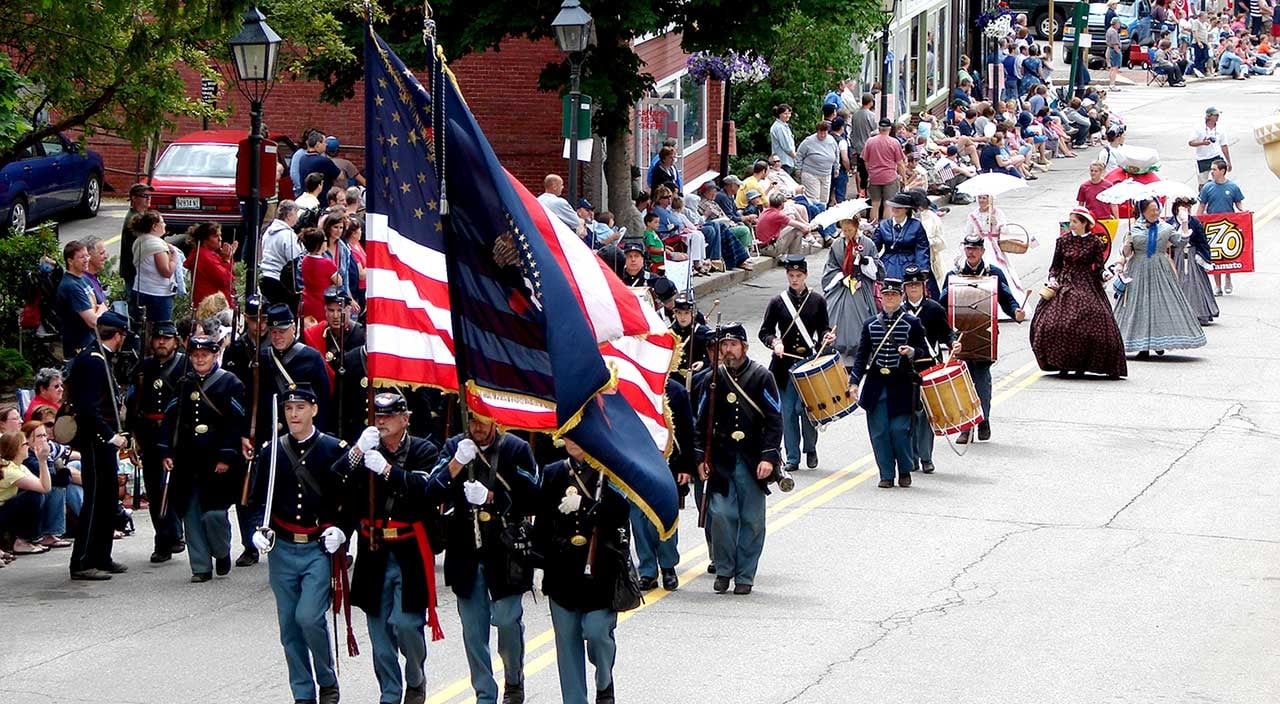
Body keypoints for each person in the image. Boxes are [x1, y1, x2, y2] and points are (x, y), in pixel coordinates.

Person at [426, 416, 540, 704]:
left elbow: (533, 496)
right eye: (472, 420)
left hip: (505, 552)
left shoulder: (515, 448)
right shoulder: (455, 446)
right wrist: (457, 463)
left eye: (482, 421)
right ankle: (484, 693)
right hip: (466, 550)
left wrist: (492, 497)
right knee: (473, 632)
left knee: (506, 620)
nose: (476, 427)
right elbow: (431, 491)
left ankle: (514, 678)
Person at [339, 392, 443, 704]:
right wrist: (358, 450)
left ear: (405, 418)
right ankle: (389, 692)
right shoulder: (367, 449)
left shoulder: (424, 449)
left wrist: (387, 471)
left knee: (408, 624)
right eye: (377, 416)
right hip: (374, 548)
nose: (381, 421)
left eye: (388, 416)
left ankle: (415, 677)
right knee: (379, 632)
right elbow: (337, 479)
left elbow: (426, 489)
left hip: (410, 547)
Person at [249, 383, 348, 704]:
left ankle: (327, 680)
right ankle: (302, 692)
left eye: (300, 408)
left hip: (316, 549)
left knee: (309, 617)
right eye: (289, 409)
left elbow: (350, 500)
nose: (293, 414)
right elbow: (256, 501)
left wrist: (342, 530)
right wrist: (256, 530)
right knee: (289, 627)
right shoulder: (272, 451)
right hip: (283, 548)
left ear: (314, 410)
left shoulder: (333, 449)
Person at [534, 437, 629, 704]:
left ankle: (604, 679)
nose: (574, 442)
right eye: (569, 435)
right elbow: (542, 521)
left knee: (597, 633)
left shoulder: (611, 469)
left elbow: (621, 512)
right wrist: (538, 564)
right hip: (562, 571)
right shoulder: (553, 472)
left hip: (600, 571)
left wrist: (586, 507)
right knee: (567, 645)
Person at [693, 323, 783, 595]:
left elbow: (774, 420)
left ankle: (745, 574)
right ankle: (723, 569)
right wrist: (700, 458)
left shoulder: (761, 376)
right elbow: (700, 423)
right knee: (720, 514)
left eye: (733, 344)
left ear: (744, 347)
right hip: (721, 459)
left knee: (752, 520)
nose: (728, 350)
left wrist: (769, 457)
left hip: (752, 458)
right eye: (724, 345)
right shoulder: (714, 379)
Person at [158, 336, 247, 582]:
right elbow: (170, 418)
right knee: (191, 514)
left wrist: (227, 456)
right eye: (195, 355)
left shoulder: (230, 383)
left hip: (216, 458)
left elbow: (235, 423)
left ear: (215, 355)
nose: (199, 359)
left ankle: (221, 551)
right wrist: (167, 451)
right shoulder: (183, 383)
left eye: (204, 355)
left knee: (215, 515)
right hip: (188, 459)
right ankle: (200, 567)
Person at [939, 235, 1026, 444]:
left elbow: (1006, 297)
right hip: (959, 336)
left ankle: (983, 419)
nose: (971, 253)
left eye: (975, 249)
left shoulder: (993, 273)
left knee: (982, 381)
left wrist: (1016, 312)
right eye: (968, 249)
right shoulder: (954, 274)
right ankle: (966, 426)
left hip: (984, 335)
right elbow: (941, 303)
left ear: (982, 251)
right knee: (962, 382)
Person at [67, 311, 132, 581]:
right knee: (94, 501)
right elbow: (88, 409)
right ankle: (82, 561)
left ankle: (101, 556)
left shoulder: (99, 357)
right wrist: (110, 436)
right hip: (96, 441)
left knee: (107, 500)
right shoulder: (94, 361)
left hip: (102, 441)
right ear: (119, 335)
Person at [849, 278, 930, 488]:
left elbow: (924, 351)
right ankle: (886, 473)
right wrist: (854, 382)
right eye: (886, 295)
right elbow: (862, 356)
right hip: (876, 385)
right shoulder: (870, 324)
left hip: (901, 385)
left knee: (900, 431)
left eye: (894, 295)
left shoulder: (911, 323)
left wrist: (912, 352)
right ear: (881, 297)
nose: (890, 299)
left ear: (901, 297)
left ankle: (904, 469)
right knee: (879, 433)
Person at [1030, 209, 1128, 378]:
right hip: (1065, 281)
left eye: (1074, 221)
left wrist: (1104, 274)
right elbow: (1055, 265)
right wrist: (1053, 278)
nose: (1071, 225)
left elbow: (1098, 267)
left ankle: (1085, 362)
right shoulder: (1063, 240)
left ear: (1084, 223)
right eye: (1070, 221)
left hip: (1086, 282)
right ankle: (1061, 362)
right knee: (1054, 322)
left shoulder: (1095, 242)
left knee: (1094, 315)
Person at [758, 257, 835, 472]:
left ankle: (810, 448)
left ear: (805, 276)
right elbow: (765, 331)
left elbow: (823, 328)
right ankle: (792, 456)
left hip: (808, 363)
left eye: (798, 276)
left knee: (807, 409)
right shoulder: (778, 302)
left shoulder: (817, 300)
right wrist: (775, 342)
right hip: (784, 366)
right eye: (791, 276)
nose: (794, 279)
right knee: (788, 412)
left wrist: (827, 336)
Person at [1114, 199, 1208, 358]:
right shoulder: (1134, 229)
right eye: (1152, 210)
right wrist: (1127, 245)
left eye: (1157, 210)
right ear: (1143, 212)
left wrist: (1184, 223)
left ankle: (1159, 341)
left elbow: (1181, 241)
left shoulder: (1166, 228)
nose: (1155, 213)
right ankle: (1143, 346)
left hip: (1160, 269)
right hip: (1138, 269)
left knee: (1160, 305)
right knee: (1140, 306)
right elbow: (1126, 253)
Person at [127, 321, 188, 564]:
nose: (161, 342)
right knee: (154, 487)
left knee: (175, 487)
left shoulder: (185, 365)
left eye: (167, 338)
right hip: (150, 432)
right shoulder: (143, 368)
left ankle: (176, 533)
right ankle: (163, 540)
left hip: (176, 432)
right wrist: (132, 436)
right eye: (158, 338)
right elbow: (133, 404)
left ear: (176, 341)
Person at [632, 375, 694, 592]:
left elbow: (687, 430)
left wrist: (686, 465)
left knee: (665, 516)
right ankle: (648, 570)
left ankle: (668, 566)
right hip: (636, 462)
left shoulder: (676, 391)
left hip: (669, 463)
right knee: (638, 518)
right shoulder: (630, 384)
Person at [901, 266, 953, 474]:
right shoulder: (899, 311)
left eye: (917, 284)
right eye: (910, 285)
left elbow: (946, 334)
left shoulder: (934, 309)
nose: (914, 288)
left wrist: (953, 342)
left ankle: (925, 457)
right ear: (904, 287)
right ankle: (911, 456)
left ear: (923, 286)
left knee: (924, 415)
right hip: (904, 370)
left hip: (927, 367)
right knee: (907, 414)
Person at [257, 304, 332, 439]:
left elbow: (323, 400)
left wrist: (317, 435)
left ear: (293, 328)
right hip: (270, 431)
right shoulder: (262, 358)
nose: (277, 336)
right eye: (273, 332)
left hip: (303, 432)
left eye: (282, 331)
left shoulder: (311, 357)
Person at [822, 215, 883, 369]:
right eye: (844, 230)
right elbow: (831, 266)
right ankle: (837, 350)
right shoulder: (836, 245)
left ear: (856, 227)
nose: (847, 233)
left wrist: (864, 261)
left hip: (861, 286)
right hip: (842, 285)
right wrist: (842, 277)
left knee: (862, 317)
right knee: (834, 314)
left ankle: (861, 351)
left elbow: (878, 269)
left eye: (850, 230)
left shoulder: (867, 243)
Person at [962, 193, 1030, 301]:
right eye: (980, 198)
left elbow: (1005, 231)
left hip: (993, 248)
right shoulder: (973, 215)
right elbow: (967, 233)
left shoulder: (997, 213)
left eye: (985, 198)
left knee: (997, 271)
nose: (982, 200)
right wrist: (973, 237)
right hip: (978, 247)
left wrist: (996, 223)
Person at [0, 429, 53, 556]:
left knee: (36, 494)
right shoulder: (10, 471)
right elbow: (45, 488)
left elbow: (44, 486)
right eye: (25, 444)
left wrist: (43, 461)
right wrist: (42, 461)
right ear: (16, 448)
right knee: (33, 497)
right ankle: (22, 541)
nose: (28, 446)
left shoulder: (20, 467)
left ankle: (29, 538)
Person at [1169, 197, 1220, 325]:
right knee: (1178, 283)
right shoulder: (1170, 224)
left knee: (1195, 284)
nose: (1186, 209)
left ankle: (1199, 313)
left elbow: (1203, 241)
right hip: (1175, 258)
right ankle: (1177, 316)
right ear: (1176, 207)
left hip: (1191, 256)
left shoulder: (1195, 223)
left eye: (1188, 207)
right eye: (1183, 206)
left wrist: (1202, 256)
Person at [1197, 158, 1244, 296]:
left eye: (1214, 169)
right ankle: (1217, 286)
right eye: (1211, 169)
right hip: (1212, 226)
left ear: (1222, 171)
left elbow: (1238, 203)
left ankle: (1228, 277)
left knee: (1227, 254)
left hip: (1229, 226)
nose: (1212, 172)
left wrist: (1243, 211)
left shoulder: (1233, 187)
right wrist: (1197, 221)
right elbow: (1201, 206)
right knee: (1215, 256)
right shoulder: (1207, 187)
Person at [55, 240, 103, 358]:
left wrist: (98, 311)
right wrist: (99, 313)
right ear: (70, 261)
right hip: (79, 346)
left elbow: (102, 304)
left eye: (87, 255)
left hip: (92, 340)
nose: (87, 259)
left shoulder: (84, 279)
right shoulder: (71, 286)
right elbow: (93, 322)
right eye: (82, 257)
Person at [131, 209, 180, 322]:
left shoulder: (140, 240)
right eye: (162, 222)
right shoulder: (156, 245)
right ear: (154, 226)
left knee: (141, 326)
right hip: (158, 294)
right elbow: (166, 272)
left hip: (140, 289)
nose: (165, 225)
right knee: (160, 329)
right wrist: (174, 256)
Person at [873, 192, 931, 281]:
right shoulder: (883, 225)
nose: (895, 209)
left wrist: (922, 269)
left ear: (906, 209)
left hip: (909, 264)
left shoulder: (916, 225)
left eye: (899, 207)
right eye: (893, 206)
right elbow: (874, 246)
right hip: (887, 263)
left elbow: (921, 248)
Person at [260, 201, 304, 306]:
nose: (297, 218)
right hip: (280, 281)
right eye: (296, 214)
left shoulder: (267, 231)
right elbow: (296, 259)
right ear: (289, 215)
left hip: (264, 277)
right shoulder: (288, 236)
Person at [863, 118, 906, 222]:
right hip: (889, 177)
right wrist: (904, 178)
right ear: (890, 129)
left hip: (874, 177)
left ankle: (873, 227)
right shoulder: (894, 142)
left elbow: (866, 160)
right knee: (888, 204)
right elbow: (900, 163)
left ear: (879, 128)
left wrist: (870, 172)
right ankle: (886, 228)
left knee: (875, 204)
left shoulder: (870, 141)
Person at [186, 222, 235, 309]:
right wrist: (226, 260)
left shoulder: (209, 254)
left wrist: (226, 259)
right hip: (211, 306)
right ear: (205, 240)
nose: (220, 239)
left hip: (211, 303)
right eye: (215, 236)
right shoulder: (205, 256)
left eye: (220, 235)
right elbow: (225, 280)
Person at [299, 227, 339, 323]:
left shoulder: (305, 260)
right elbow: (339, 281)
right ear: (319, 244)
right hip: (321, 304)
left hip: (306, 302)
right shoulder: (327, 263)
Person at [796, 120, 840, 204]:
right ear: (817, 131)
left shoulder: (831, 140)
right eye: (820, 133)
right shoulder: (809, 141)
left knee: (824, 199)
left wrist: (836, 167)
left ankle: (822, 214)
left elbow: (836, 154)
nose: (822, 135)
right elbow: (799, 155)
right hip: (811, 173)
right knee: (814, 199)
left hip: (826, 174)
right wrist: (798, 169)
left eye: (825, 133)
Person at [120, 183, 153, 293]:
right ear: (133, 198)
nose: (148, 199)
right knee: (135, 304)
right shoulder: (134, 220)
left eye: (150, 196)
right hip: (133, 271)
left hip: (137, 270)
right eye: (145, 196)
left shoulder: (140, 216)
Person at [1190, 107, 1232, 187]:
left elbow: (1224, 145)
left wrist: (1228, 161)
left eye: (1218, 115)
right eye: (1215, 115)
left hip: (1216, 157)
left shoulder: (1220, 129)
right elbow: (1191, 142)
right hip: (1202, 159)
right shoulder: (1199, 128)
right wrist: (1202, 143)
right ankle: (1203, 197)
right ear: (1209, 116)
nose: (1217, 116)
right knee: (1203, 184)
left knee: (1218, 180)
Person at [1077, 160, 1119, 226]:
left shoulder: (1108, 186)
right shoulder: (1084, 186)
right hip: (1090, 219)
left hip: (1105, 219)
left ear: (1101, 172)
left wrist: (1117, 220)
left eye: (1096, 171)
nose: (1093, 173)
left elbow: (1113, 204)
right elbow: (1081, 205)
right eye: (1091, 171)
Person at [770, 104, 798, 175]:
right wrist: (796, 157)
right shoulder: (779, 127)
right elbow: (786, 146)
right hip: (783, 161)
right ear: (780, 114)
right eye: (785, 114)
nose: (788, 115)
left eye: (789, 113)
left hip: (788, 161)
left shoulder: (784, 126)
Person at [1107, 18, 1125, 91]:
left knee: (1112, 69)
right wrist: (1118, 52)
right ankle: (1112, 84)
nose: (1119, 25)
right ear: (1116, 24)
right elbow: (1115, 44)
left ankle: (1111, 84)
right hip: (1114, 51)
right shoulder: (1113, 32)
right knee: (1115, 68)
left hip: (1111, 50)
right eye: (1119, 24)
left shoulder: (1109, 30)